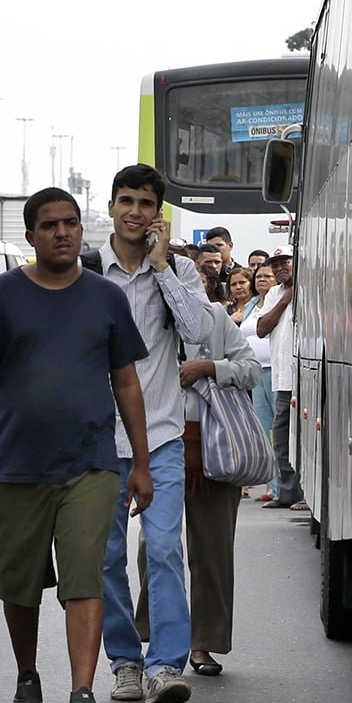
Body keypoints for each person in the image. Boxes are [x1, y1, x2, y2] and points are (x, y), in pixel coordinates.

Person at [0, 188, 154, 703]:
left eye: (70, 223)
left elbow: (126, 383)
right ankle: (27, 679)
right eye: (49, 225)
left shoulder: (105, 297)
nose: (62, 232)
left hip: (89, 464)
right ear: (31, 236)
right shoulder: (0, 295)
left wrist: (141, 462)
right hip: (13, 466)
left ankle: (82, 697)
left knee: (84, 577)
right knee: (19, 586)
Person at [92, 165, 218, 703]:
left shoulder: (179, 271)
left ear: (158, 213)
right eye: (127, 200)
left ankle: (164, 665)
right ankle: (124, 660)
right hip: (99, 441)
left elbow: (200, 332)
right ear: (111, 206)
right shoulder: (87, 270)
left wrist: (164, 266)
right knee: (105, 558)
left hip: (162, 435)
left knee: (164, 550)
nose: (135, 211)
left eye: (146, 203)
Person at [132, 265, 260, 674]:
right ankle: (156, 636)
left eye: (192, 283)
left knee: (212, 553)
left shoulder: (217, 320)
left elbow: (252, 368)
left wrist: (210, 368)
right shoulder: (141, 321)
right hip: (158, 446)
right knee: (156, 548)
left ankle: (204, 643)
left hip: (213, 450)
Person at [255, 250, 305, 509]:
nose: (279, 268)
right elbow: (261, 328)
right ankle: (286, 493)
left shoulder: (311, 287)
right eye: (275, 264)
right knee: (282, 437)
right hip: (282, 378)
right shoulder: (275, 293)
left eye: (285, 261)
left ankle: (305, 494)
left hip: (305, 378)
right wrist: (285, 299)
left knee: (305, 440)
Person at [243, 264, 278, 472]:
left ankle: (282, 480)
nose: (262, 280)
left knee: (278, 428)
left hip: (275, 371)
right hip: (255, 373)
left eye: (267, 276)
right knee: (263, 428)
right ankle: (271, 482)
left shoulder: (279, 302)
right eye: (258, 277)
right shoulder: (251, 305)